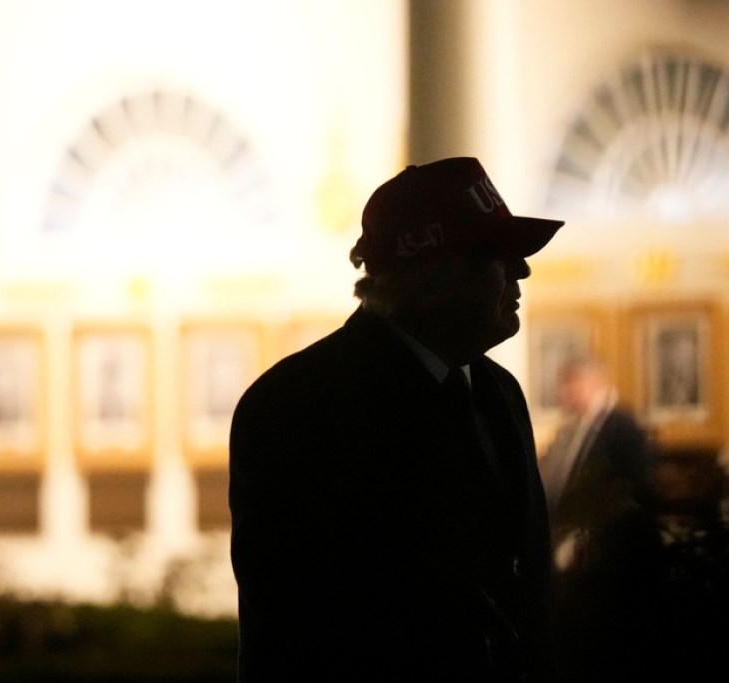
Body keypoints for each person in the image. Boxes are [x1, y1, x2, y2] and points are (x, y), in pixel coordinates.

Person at [229, 157, 563, 682]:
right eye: (494, 255)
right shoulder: (297, 407)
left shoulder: (501, 393)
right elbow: (298, 625)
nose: (521, 271)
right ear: (430, 279)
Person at [539, 354, 660, 682]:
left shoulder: (623, 428)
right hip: (571, 572)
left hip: (607, 570)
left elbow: (633, 494)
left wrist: (589, 541)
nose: (563, 396)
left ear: (588, 382)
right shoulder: (571, 431)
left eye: (567, 387)